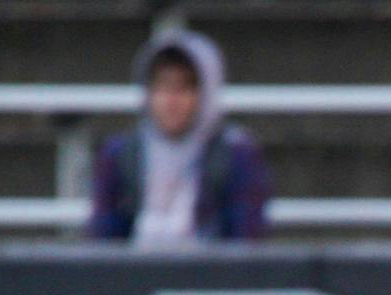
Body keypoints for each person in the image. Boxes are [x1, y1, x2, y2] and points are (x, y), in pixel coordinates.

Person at [88, 28, 270, 244]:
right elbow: (103, 243)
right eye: (162, 86)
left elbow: (244, 244)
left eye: (184, 87)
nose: (171, 100)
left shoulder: (236, 154)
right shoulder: (121, 154)